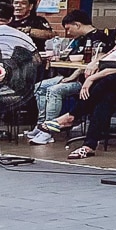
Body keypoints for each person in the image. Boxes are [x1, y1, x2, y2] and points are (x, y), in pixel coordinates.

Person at [42, 5, 116, 158]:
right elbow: (111, 55)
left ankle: (72, 116)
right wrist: (95, 63)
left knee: (108, 80)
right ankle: (89, 146)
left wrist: (92, 78)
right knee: (105, 99)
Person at [26, 9, 105, 142]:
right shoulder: (77, 40)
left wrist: (72, 77)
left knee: (54, 90)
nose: (68, 33)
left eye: (69, 29)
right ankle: (40, 125)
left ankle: (48, 130)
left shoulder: (99, 38)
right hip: (67, 76)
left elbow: (93, 62)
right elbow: (68, 55)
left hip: (84, 80)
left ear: (77, 25)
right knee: (39, 87)